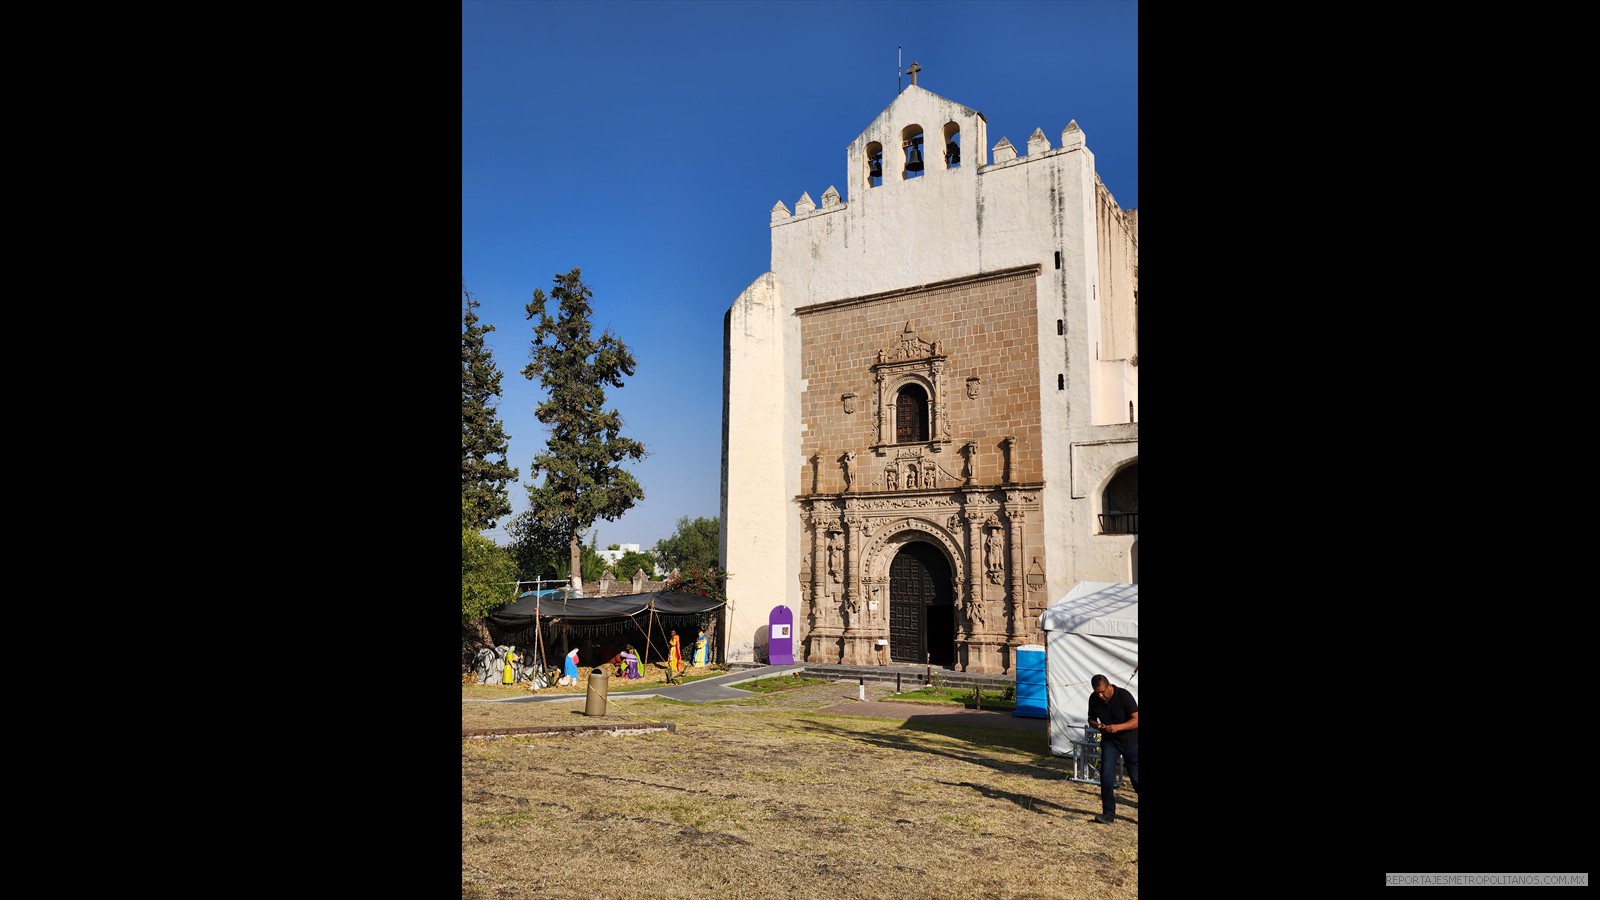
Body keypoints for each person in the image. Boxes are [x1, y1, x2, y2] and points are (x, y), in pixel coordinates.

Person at [1086, 673, 1139, 825]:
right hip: (1110, 741)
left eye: (1103, 691)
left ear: (1109, 686)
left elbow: (1136, 720)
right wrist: (1098, 726)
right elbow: (1091, 720)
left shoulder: (1124, 696)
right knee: (1106, 774)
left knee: (1136, 778)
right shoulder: (1093, 698)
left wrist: (1118, 727)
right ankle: (1108, 813)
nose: (1101, 695)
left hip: (1131, 741)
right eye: (1097, 692)